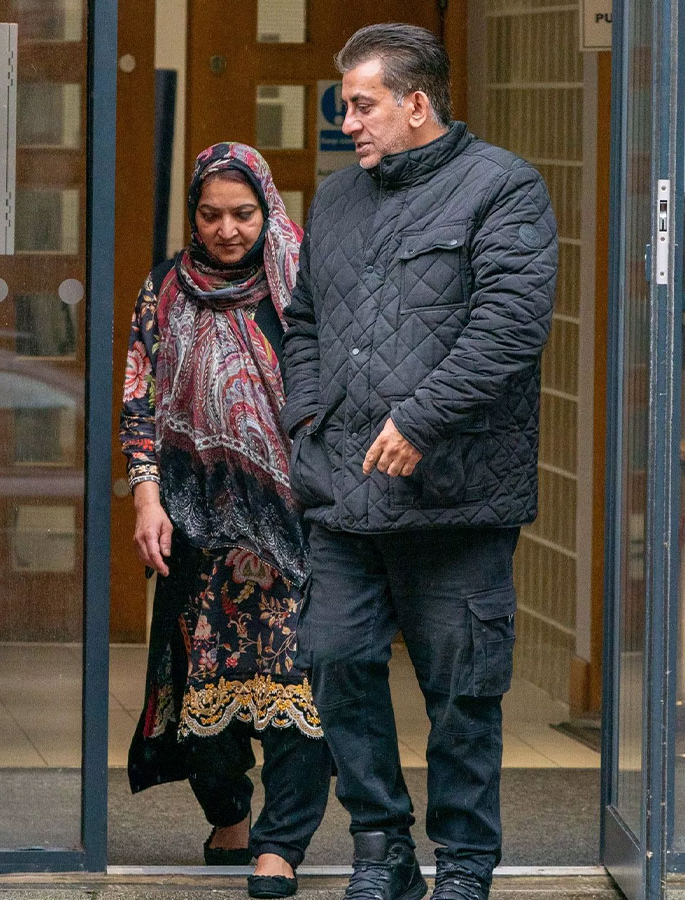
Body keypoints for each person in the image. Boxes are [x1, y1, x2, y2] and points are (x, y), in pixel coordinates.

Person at [281, 23, 558, 900]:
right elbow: (304, 325)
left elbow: (509, 325)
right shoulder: (334, 199)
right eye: (346, 106)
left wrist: (422, 420)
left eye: (361, 105)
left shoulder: (503, 188)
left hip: (455, 496)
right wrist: (306, 415)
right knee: (333, 660)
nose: (349, 121)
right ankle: (381, 849)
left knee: (462, 696)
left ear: (416, 103)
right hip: (344, 492)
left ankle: (466, 865)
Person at [120, 142, 331, 899]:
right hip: (197, 520)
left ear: (268, 209)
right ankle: (230, 811)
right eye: (210, 215)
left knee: (295, 688)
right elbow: (139, 399)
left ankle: (281, 846)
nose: (227, 230)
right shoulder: (166, 290)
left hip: (294, 526)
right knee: (203, 689)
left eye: (243, 214)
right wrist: (147, 496)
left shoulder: (300, 283)